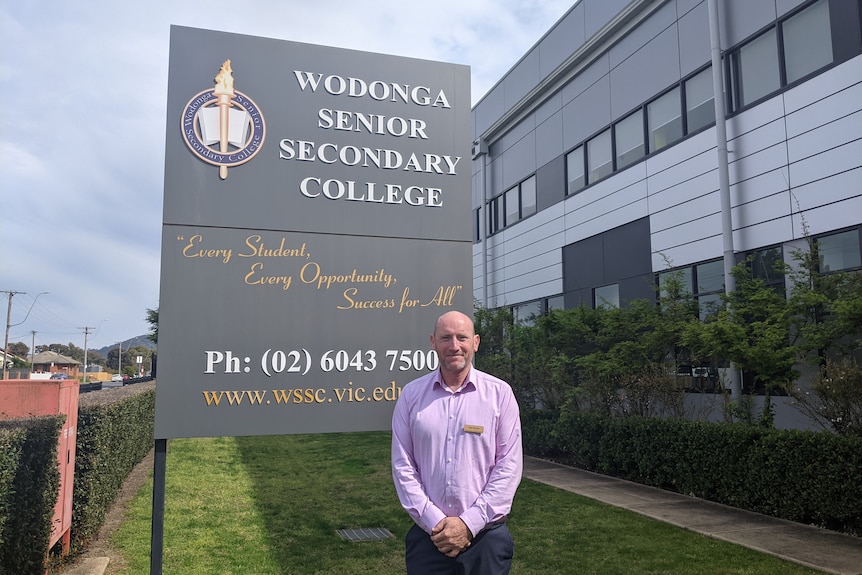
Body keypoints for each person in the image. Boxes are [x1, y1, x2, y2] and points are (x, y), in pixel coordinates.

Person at [391, 310, 523, 575]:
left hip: (486, 540)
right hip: (429, 539)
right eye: (446, 338)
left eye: (462, 337)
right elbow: (403, 466)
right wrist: (436, 522)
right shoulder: (411, 396)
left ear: (475, 342)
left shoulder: (500, 394)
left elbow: (508, 467)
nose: (454, 346)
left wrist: (468, 524)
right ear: (433, 342)